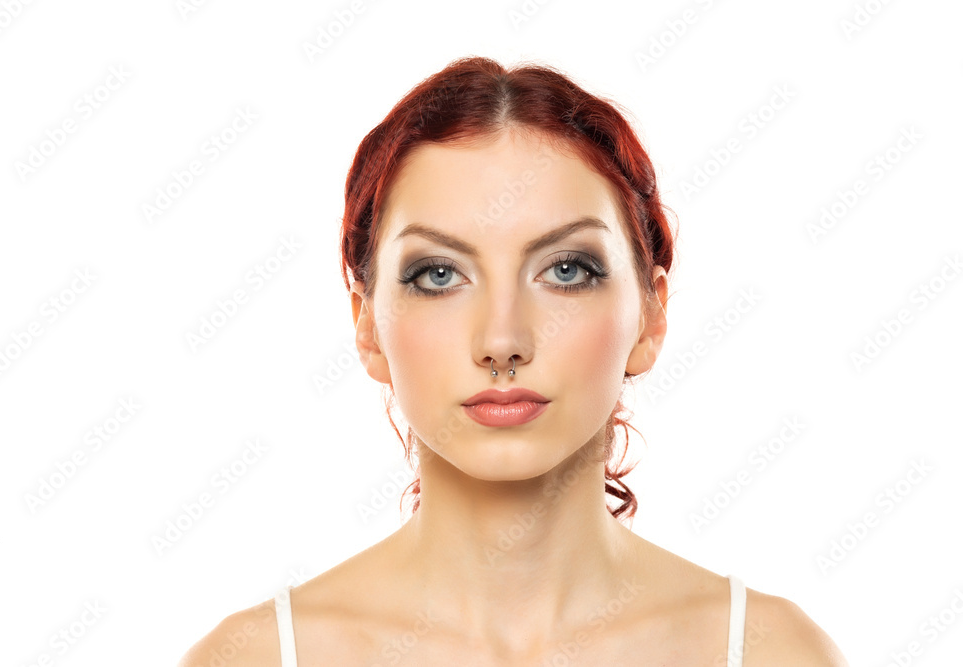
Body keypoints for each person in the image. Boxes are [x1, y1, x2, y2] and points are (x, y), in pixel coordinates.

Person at [179, 56, 848, 666]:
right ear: (367, 323)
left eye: (566, 269)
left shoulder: (770, 651)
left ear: (650, 314)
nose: (502, 340)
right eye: (438, 274)